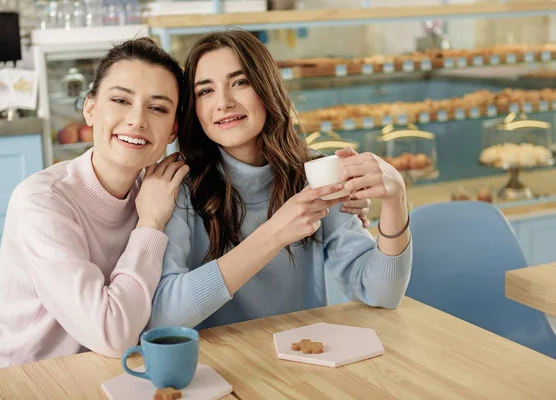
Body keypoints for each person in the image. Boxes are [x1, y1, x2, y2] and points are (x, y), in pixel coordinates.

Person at [147, 29, 412, 331]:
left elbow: (382, 293)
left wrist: (396, 199)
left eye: (240, 82)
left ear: (267, 87)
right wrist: (274, 234)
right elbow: (163, 317)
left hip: (301, 363)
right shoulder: (179, 186)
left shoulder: (315, 172)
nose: (223, 102)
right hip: (216, 367)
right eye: (205, 91)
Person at [0, 37, 188, 374]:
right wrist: (151, 223)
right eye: (120, 100)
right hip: (9, 382)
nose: (137, 120)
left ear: (173, 130)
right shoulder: (43, 202)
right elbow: (113, 335)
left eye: (157, 108)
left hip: (91, 376)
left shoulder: (157, 190)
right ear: (90, 108)